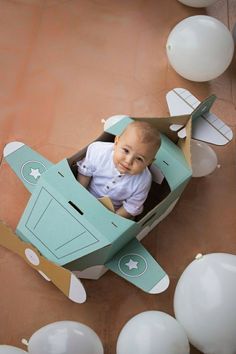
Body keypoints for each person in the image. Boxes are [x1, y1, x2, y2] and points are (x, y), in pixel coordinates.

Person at [77, 121, 161, 219]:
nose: (128, 161)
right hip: (87, 195)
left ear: (149, 162)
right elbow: (85, 173)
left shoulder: (143, 180)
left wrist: (111, 219)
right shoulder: (99, 151)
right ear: (116, 142)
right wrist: (80, 195)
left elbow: (131, 207)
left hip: (112, 211)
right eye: (126, 150)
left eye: (139, 159)